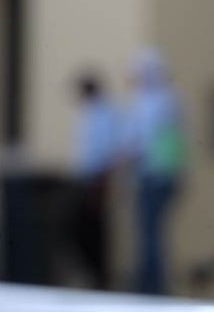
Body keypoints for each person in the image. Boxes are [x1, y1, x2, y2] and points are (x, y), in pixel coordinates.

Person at [125, 48, 187, 294]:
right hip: (165, 174)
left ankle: (151, 285)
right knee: (154, 231)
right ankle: (153, 282)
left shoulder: (151, 102)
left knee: (149, 232)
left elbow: (139, 142)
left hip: (154, 175)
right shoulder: (171, 99)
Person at [69, 70, 122, 289]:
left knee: (95, 230)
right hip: (85, 178)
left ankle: (100, 278)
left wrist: (104, 181)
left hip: (98, 179)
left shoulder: (105, 113)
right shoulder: (89, 112)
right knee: (82, 229)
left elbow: (109, 149)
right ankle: (92, 274)